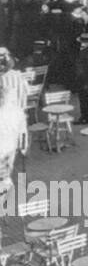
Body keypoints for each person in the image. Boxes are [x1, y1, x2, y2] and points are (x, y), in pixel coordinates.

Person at [0, 49, 29, 193]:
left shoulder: (2, 80)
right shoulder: (19, 77)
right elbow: (25, 96)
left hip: (5, 121)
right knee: (14, 150)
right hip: (18, 119)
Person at [73, 32, 88, 123]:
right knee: (87, 99)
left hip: (85, 79)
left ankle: (85, 117)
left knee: (85, 99)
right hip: (85, 78)